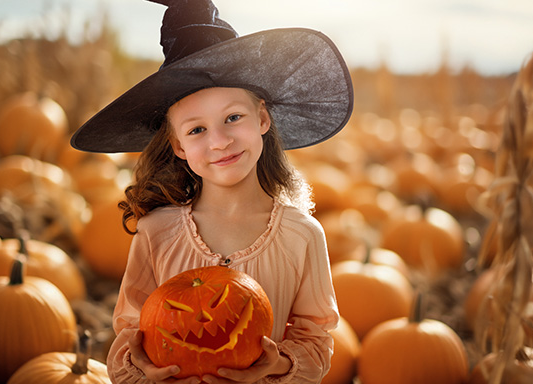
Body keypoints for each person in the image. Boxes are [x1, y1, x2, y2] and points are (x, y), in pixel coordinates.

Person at [70, 0, 353, 383]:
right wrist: (144, 367)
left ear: (263, 119)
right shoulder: (156, 233)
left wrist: (277, 364)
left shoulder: (301, 235)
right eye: (196, 129)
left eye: (233, 117)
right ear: (177, 145)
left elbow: (315, 341)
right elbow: (128, 336)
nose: (219, 141)